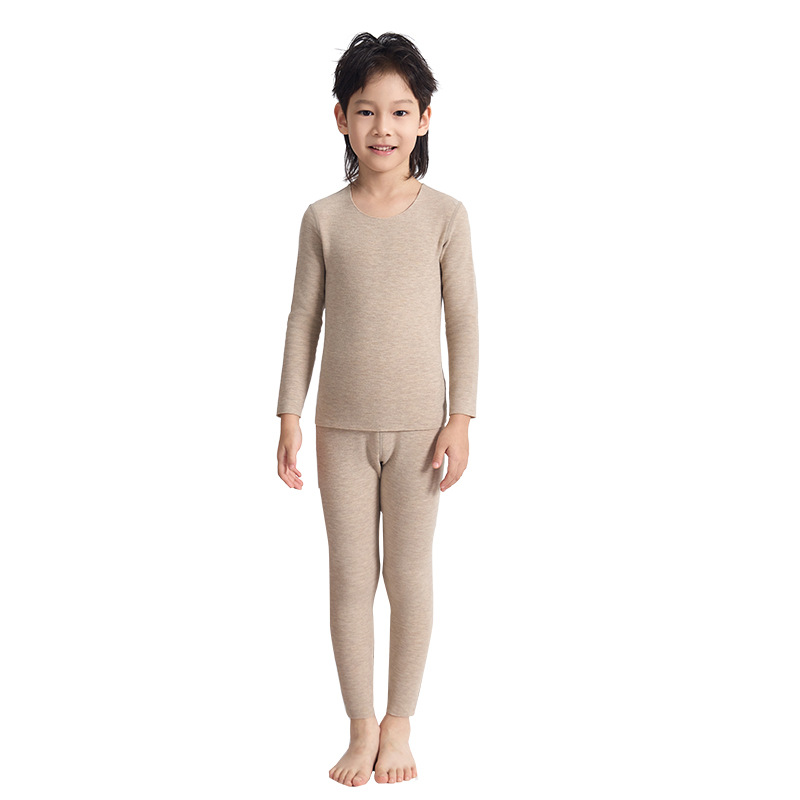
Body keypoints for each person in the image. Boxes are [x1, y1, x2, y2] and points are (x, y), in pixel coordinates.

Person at [275, 31, 479, 787]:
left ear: (424, 119)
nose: (382, 128)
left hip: (423, 431)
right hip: (340, 429)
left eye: (399, 111)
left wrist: (462, 418)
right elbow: (303, 318)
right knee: (350, 576)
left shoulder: (446, 216)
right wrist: (288, 413)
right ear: (341, 119)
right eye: (366, 111)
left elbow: (464, 321)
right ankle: (361, 727)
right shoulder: (323, 218)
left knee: (410, 575)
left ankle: (400, 725)